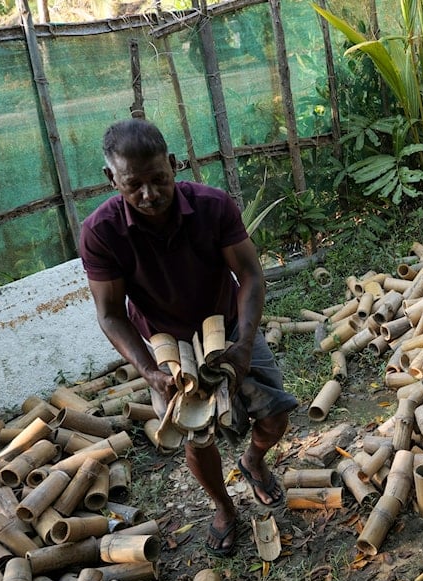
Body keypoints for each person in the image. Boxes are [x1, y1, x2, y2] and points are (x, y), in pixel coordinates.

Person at [79, 118, 298, 556]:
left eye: (159, 179)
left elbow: (251, 276)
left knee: (275, 415)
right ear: (111, 179)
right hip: (166, 347)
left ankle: (253, 460)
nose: (149, 195)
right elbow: (109, 313)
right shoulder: (101, 231)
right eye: (133, 184)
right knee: (197, 435)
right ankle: (223, 507)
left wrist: (240, 347)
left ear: (174, 164)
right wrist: (148, 371)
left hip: (227, 326)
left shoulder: (212, 206)